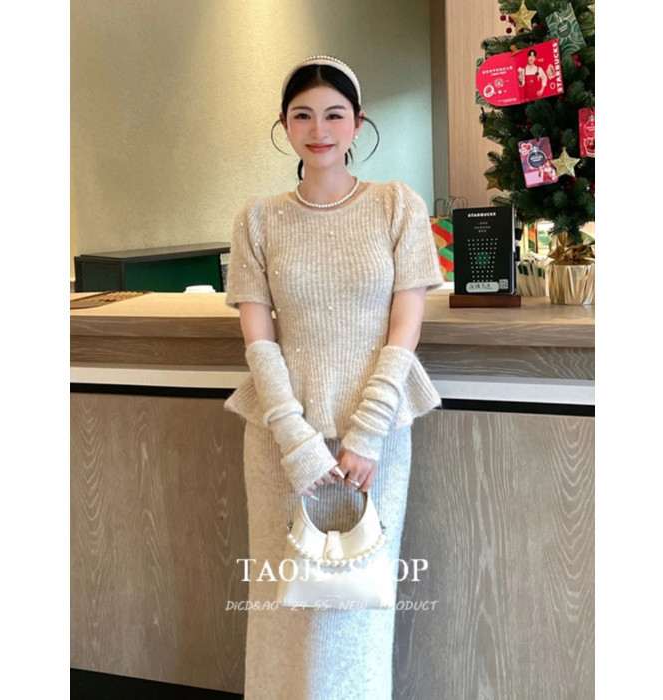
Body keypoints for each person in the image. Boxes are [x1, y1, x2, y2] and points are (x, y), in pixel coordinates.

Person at [224, 55, 444, 699]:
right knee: (282, 610)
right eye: (303, 116)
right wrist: (295, 442)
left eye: (333, 115)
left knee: (356, 612)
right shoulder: (258, 218)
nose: (318, 130)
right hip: (282, 443)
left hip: (373, 444)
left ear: (357, 123)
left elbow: (404, 327)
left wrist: (368, 433)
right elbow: (258, 338)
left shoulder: (397, 206)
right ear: (284, 125)